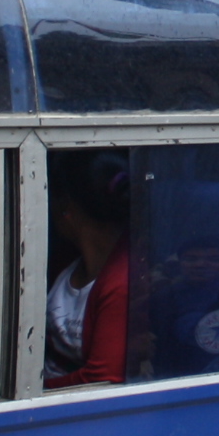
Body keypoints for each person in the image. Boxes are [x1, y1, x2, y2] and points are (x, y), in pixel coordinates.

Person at [44, 150, 132, 389]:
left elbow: (102, 379)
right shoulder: (66, 261)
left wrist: (30, 390)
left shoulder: (122, 282)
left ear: (65, 209)